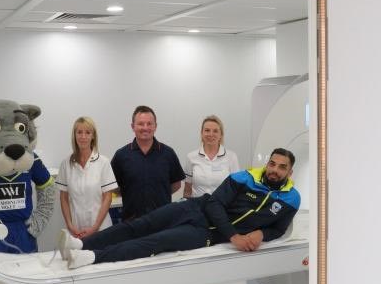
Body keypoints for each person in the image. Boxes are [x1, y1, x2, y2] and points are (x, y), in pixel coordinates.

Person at [58, 148, 301, 268]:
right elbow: (215, 203)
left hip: (206, 234)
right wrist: (235, 236)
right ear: (266, 163)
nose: (274, 169)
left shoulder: (291, 199)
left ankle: (90, 257)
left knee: (155, 242)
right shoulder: (244, 178)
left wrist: (262, 234)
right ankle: (81, 243)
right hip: (194, 209)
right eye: (272, 163)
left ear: (289, 172)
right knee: (140, 224)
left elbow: (278, 229)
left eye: (281, 167)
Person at [111, 105, 185, 220]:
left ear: (155, 126)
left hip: (162, 221)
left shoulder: (168, 153)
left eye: (149, 124)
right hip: (131, 222)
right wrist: (131, 194)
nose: (145, 128)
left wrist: (159, 194)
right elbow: (114, 187)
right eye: (140, 124)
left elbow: (176, 185)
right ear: (132, 126)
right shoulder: (121, 155)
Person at [56, 117, 118, 239]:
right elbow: (63, 198)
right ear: (74, 135)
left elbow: (107, 198)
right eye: (79, 132)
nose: (83, 136)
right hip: (76, 230)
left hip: (101, 228)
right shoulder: (66, 164)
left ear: (93, 136)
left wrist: (95, 227)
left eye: (87, 132)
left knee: (102, 257)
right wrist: (69, 225)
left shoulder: (103, 162)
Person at [183, 115, 240, 198]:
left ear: (221, 135)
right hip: (197, 207)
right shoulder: (191, 157)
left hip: (222, 207)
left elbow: (236, 188)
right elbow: (187, 189)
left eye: (215, 131)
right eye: (207, 130)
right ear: (202, 133)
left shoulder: (231, 157)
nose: (211, 134)